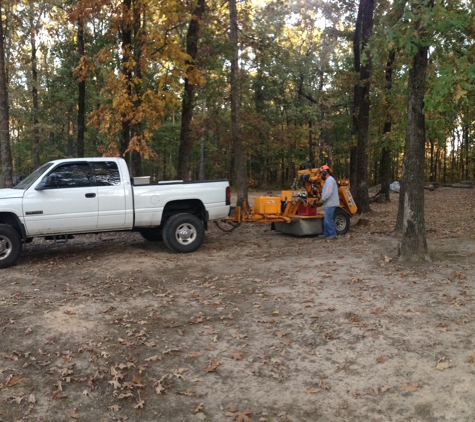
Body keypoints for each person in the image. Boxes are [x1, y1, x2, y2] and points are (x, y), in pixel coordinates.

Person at [317, 165, 339, 239]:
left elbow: (328, 192)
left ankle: (332, 234)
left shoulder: (330, 180)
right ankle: (326, 234)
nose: (320, 175)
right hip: (328, 203)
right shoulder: (328, 180)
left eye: (321, 173)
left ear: (325, 172)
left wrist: (322, 199)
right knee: (326, 219)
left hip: (330, 203)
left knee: (328, 219)